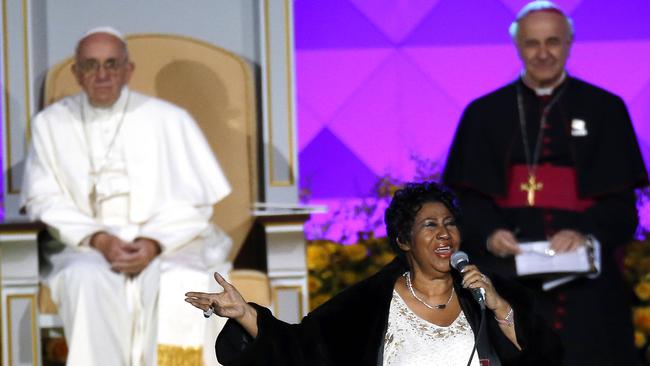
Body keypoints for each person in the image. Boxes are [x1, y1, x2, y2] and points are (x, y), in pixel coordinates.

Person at [442, 2, 649, 365]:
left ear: (569, 44)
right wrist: (489, 234)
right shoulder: (483, 113)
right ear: (517, 47)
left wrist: (586, 233)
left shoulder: (606, 109)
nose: (542, 54)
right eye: (531, 43)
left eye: (552, 42)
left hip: (589, 293)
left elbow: (621, 208)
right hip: (506, 283)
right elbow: (464, 202)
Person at [21, 27, 232, 366]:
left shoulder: (169, 119)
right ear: (76, 73)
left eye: (111, 64)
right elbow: (44, 199)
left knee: (179, 281)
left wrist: (153, 242)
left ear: (127, 70)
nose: (101, 75)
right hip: (86, 245)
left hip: (170, 242)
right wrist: (100, 239)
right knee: (85, 279)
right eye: (90, 66)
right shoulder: (51, 124)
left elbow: (195, 203)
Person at [186, 181, 561, 365]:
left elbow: (545, 355)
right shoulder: (367, 304)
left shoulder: (485, 296)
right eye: (429, 225)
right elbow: (302, 351)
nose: (444, 233)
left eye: (449, 223)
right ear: (403, 240)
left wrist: (500, 310)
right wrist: (246, 314)